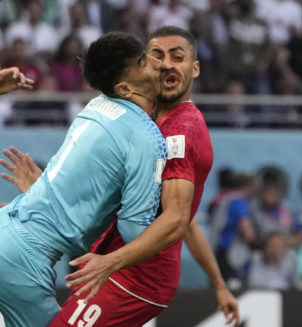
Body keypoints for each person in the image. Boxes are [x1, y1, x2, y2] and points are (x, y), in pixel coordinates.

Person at [2, 27, 239, 326]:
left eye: (176, 57)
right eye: (153, 57)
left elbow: (177, 219)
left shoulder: (175, 131)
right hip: (101, 264)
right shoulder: (138, 120)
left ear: (195, 67)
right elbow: (174, 216)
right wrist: (43, 195)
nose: (164, 64)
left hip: (133, 274)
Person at [0, 31, 171, 327]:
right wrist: (174, 223)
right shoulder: (146, 138)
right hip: (22, 260)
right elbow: (133, 232)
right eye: (144, 63)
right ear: (125, 88)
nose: (157, 64)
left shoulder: (95, 106)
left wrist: (41, 191)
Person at [209, 173, 257, 284]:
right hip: (229, 251)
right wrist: (255, 242)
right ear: (248, 187)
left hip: (216, 247)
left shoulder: (224, 199)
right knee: (233, 283)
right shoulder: (239, 201)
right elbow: (245, 225)